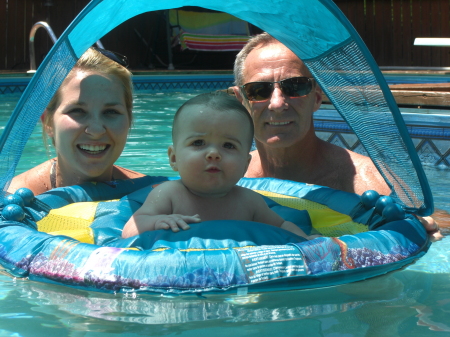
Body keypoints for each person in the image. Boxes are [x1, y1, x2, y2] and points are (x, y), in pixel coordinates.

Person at [232, 32, 443, 240]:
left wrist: (426, 227)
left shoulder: (372, 183)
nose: (277, 104)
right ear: (241, 100)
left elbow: (428, 221)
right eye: (258, 90)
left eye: (294, 87)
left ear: (316, 98)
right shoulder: (228, 176)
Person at [122, 92, 319, 240]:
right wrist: (157, 221)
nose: (214, 154)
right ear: (173, 158)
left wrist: (306, 243)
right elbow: (130, 230)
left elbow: (282, 225)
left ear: (245, 164)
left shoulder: (249, 202)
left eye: (228, 145)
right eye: (198, 143)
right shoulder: (167, 195)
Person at [8, 48, 144, 195]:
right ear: (48, 122)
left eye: (111, 112)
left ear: (129, 119)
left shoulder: (151, 195)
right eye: (77, 111)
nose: (96, 130)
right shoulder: (14, 200)